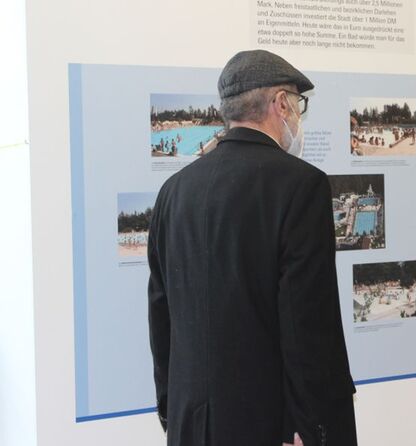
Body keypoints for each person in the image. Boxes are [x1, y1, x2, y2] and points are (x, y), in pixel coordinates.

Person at [147, 50, 357, 446]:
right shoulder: (300, 185)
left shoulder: (173, 192)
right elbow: (307, 323)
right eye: (298, 104)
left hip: (191, 424)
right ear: (280, 104)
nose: (298, 116)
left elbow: (162, 316)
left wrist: (171, 408)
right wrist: (313, 426)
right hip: (270, 423)